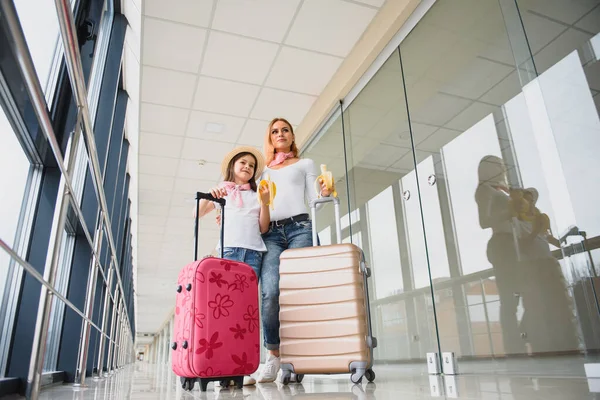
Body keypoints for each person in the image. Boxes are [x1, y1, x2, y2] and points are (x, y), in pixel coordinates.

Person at [254, 117, 332, 383]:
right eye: (274, 131)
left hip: (301, 228)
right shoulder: (263, 171)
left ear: (291, 136)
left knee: (300, 293)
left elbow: (315, 202)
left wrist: (323, 191)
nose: (280, 134)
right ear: (270, 138)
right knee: (270, 292)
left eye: (285, 129)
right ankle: (274, 355)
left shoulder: (305, 164)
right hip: (271, 235)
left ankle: (298, 356)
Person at [195, 146, 271, 386]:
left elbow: (263, 228)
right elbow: (196, 214)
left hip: (254, 254)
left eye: (251, 165)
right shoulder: (222, 192)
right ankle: (223, 364)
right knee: (226, 312)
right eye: (243, 163)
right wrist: (209, 194)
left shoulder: (257, 194)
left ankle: (244, 365)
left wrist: (266, 203)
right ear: (233, 167)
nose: (247, 167)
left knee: (246, 313)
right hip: (228, 252)